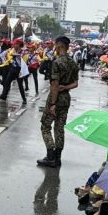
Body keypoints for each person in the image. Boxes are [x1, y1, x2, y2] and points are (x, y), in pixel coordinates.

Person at [37, 36, 79, 169]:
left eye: (56, 45)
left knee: (45, 126)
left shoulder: (57, 62)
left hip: (55, 98)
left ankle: (50, 156)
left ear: (60, 46)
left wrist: (53, 104)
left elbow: (54, 84)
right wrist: (66, 87)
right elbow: (76, 84)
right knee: (59, 128)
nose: (54, 47)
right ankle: (58, 158)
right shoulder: (73, 62)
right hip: (66, 98)